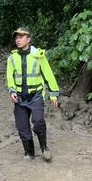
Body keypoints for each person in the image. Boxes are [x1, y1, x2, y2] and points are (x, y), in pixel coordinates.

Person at [6, 26, 59, 162]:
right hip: (19, 97)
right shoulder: (12, 58)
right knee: (22, 126)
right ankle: (29, 153)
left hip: (35, 96)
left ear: (28, 39)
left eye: (21, 37)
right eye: (17, 37)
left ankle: (44, 148)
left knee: (38, 121)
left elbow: (49, 75)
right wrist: (11, 91)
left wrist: (53, 94)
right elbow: (10, 78)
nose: (18, 40)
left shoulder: (39, 55)